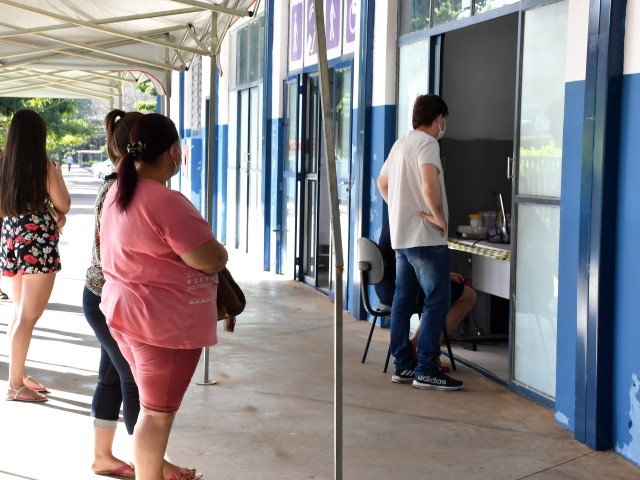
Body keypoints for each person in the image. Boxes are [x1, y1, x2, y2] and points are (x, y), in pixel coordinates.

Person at [100, 113, 228, 480]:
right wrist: (221, 254)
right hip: (163, 325)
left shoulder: (118, 193)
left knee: (152, 410)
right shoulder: (165, 200)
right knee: (157, 414)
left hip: (127, 314)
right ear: (175, 151)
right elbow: (209, 257)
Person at [376, 93, 464, 391]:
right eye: (444, 120)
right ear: (439, 118)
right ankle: (427, 367)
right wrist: (438, 217)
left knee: (403, 301)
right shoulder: (428, 144)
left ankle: (402, 365)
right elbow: (429, 184)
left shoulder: (401, 144)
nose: (443, 126)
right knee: (437, 301)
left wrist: (400, 210)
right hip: (425, 239)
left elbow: (382, 183)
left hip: (402, 238)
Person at [0, 109, 70, 402]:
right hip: (37, 244)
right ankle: (15, 384)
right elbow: (63, 203)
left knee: (20, 314)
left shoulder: (3, 163)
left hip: (11, 240)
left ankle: (18, 372)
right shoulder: (43, 165)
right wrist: (58, 174)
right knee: (28, 316)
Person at [375, 221, 476, 371]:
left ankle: (412, 350)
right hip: (400, 289)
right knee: (465, 295)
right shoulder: (415, 223)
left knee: (436, 292)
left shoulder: (394, 216)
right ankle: (426, 352)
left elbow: (411, 264)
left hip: (384, 288)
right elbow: (419, 263)